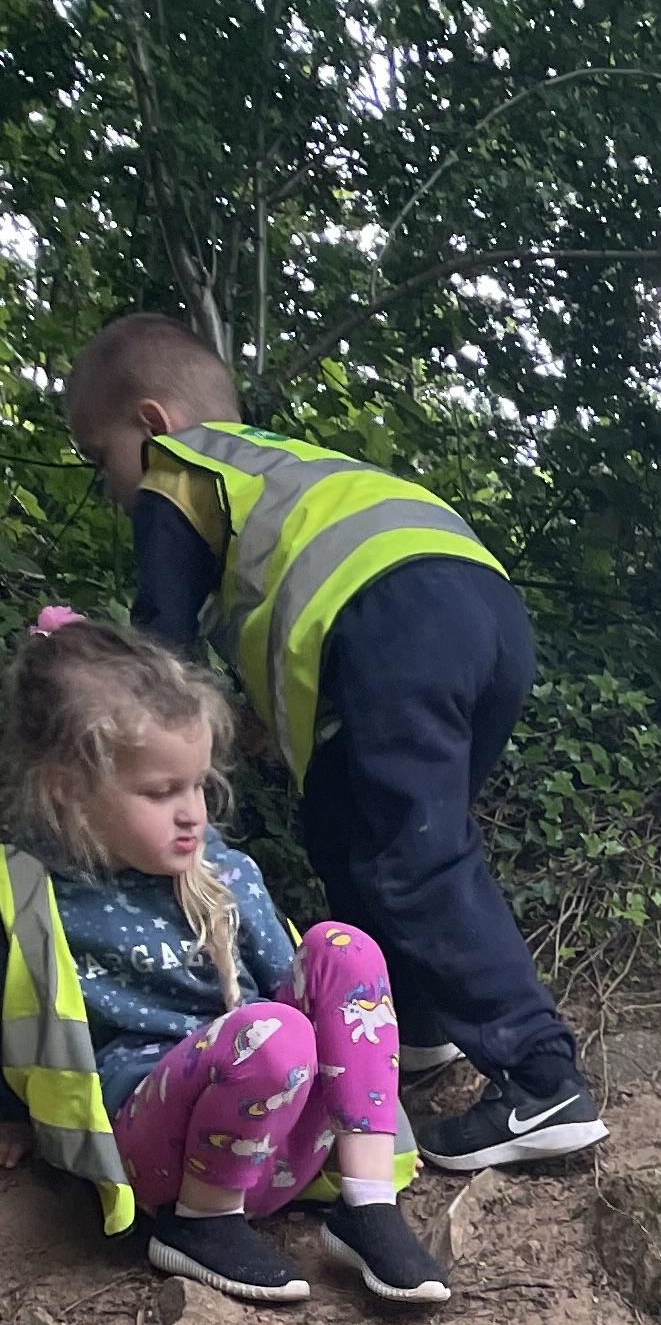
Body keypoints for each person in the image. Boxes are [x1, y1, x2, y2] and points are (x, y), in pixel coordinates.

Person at [63, 311, 605, 1173]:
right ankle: (413, 1026)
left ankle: (543, 1079)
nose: (109, 489)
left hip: (392, 619)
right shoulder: (284, 470)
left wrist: (112, 741)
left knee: (410, 853)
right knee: (353, 830)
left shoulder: (180, 467)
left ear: (153, 423)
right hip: (482, 608)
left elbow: (161, 648)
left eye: (102, 460)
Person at [0, 612, 450, 1306]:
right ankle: (199, 1226)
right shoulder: (35, 894)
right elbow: (15, 1016)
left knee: (344, 948)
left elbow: (305, 1002)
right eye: (161, 792)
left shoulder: (226, 874)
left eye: (198, 786)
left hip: (277, 1141)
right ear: (68, 790)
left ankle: (367, 1204)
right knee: (269, 1034)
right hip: (156, 1157)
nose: (193, 814)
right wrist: (10, 1114)